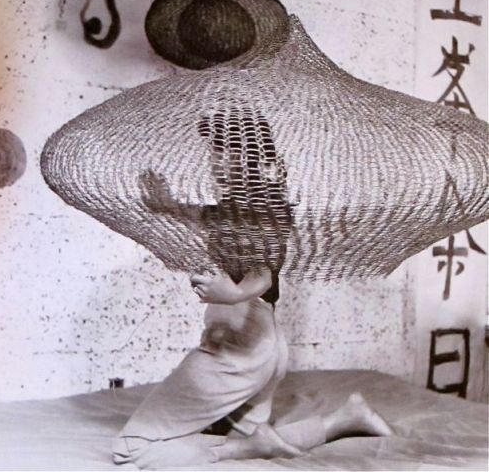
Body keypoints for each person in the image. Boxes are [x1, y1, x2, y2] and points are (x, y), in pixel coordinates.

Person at [111, 110, 392, 468]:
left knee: (131, 448)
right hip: (264, 346)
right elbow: (201, 215)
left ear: (248, 157)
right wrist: (166, 203)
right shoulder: (240, 207)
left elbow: (264, 274)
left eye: (223, 153)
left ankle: (248, 447)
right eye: (214, 152)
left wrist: (231, 293)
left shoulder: (262, 208)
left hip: (237, 342)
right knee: (235, 437)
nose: (214, 162)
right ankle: (346, 418)